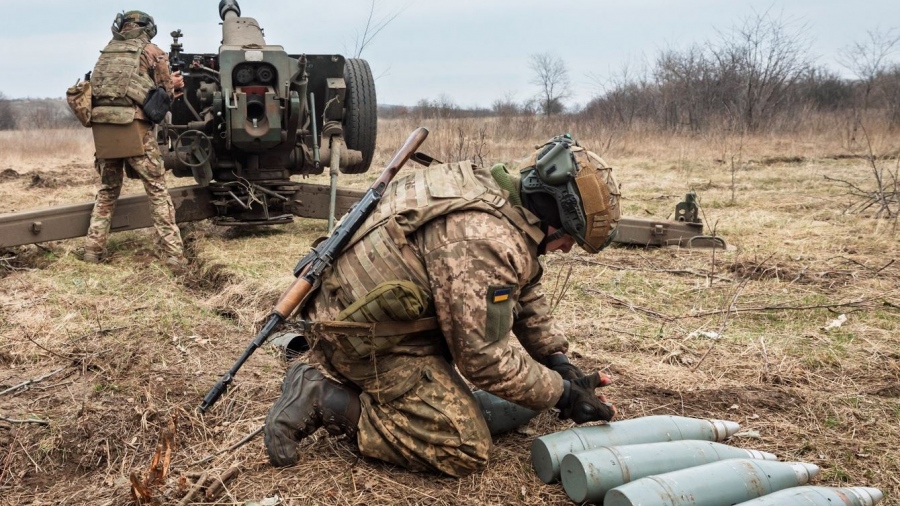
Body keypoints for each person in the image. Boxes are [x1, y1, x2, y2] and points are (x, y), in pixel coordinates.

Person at [264, 134, 622, 477]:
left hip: (358, 313)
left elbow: (522, 285)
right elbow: (483, 361)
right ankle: (323, 397)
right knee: (463, 446)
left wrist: (556, 360)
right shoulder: (485, 239)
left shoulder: (489, 190)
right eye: (568, 239)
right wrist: (562, 395)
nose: (566, 249)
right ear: (554, 216)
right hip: (361, 342)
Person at [82, 10, 186, 269]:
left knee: (107, 191)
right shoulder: (152, 51)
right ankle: (175, 257)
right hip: (134, 128)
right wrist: (173, 83)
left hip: (104, 129)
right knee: (157, 191)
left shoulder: (106, 52)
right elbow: (165, 94)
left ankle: (92, 252)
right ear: (147, 28)